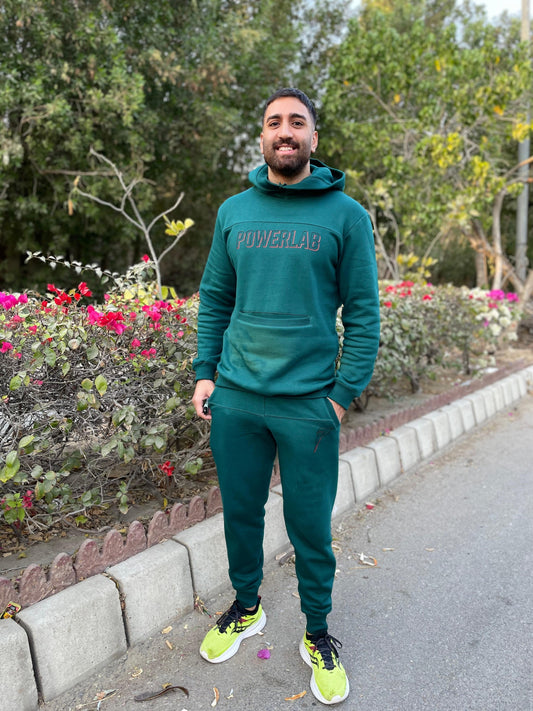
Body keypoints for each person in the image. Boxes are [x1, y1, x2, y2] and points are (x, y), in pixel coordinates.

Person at [192, 87, 380, 705]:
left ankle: (317, 632)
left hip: (309, 406)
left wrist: (339, 396)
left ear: (313, 138)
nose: (285, 131)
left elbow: (365, 314)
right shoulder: (234, 212)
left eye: (297, 122)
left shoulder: (346, 216)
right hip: (237, 399)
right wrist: (205, 373)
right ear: (263, 136)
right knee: (241, 516)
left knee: (310, 528)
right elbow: (216, 298)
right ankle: (246, 608)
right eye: (274, 122)